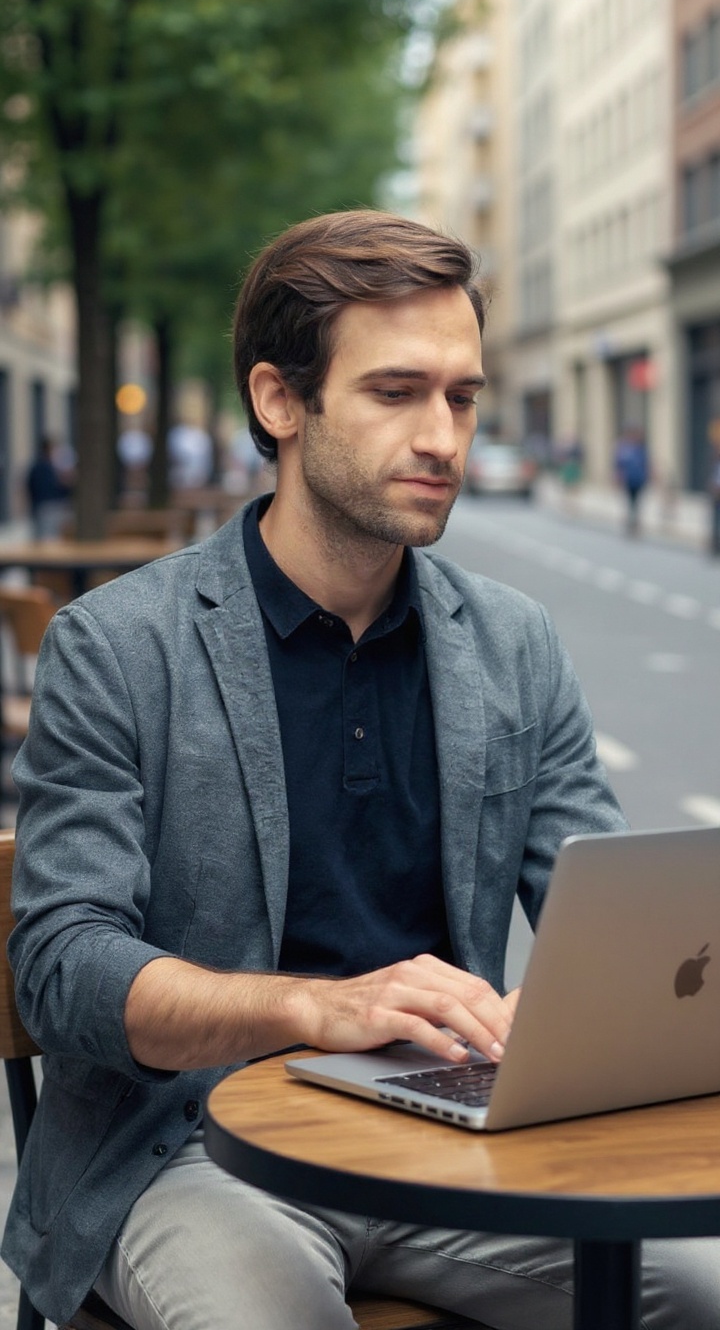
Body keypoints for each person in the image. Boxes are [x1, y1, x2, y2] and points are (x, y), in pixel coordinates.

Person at [3, 211, 718, 1330]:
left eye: (463, 396)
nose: (445, 436)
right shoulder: (117, 646)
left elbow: (613, 906)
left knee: (699, 1290)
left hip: (447, 1132)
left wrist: (579, 1017)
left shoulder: (514, 643)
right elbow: (63, 967)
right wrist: (317, 1007)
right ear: (281, 402)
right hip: (186, 1147)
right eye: (397, 393)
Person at [24, 435, 72, 538]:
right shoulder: (51, 468)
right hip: (52, 508)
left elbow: (29, 488)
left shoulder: (37, 467)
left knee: (45, 538)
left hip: (42, 508)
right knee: (50, 539)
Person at [613, 425, 650, 536]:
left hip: (639, 479)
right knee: (630, 502)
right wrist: (617, 477)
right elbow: (618, 464)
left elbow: (647, 463)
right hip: (628, 480)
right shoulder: (623, 447)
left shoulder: (641, 447)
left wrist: (649, 475)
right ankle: (631, 523)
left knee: (637, 502)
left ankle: (635, 524)